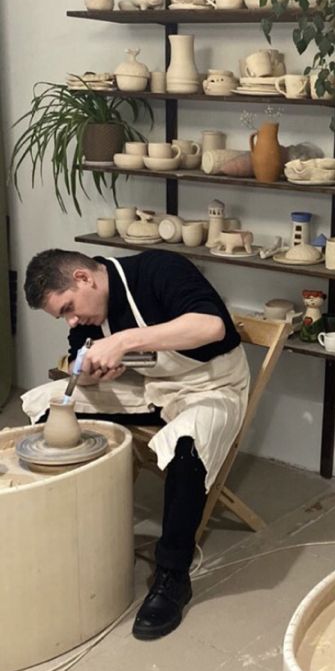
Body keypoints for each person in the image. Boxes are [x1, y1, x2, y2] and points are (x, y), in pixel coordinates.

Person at [21, 248, 250, 640]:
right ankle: (67, 526)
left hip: (212, 387)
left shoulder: (159, 269)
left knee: (185, 445)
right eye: (64, 317)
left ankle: (172, 575)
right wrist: (95, 371)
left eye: (69, 309)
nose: (73, 320)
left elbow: (212, 326)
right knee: (49, 403)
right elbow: (82, 357)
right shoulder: (88, 315)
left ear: (83, 278)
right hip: (151, 390)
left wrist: (125, 340)